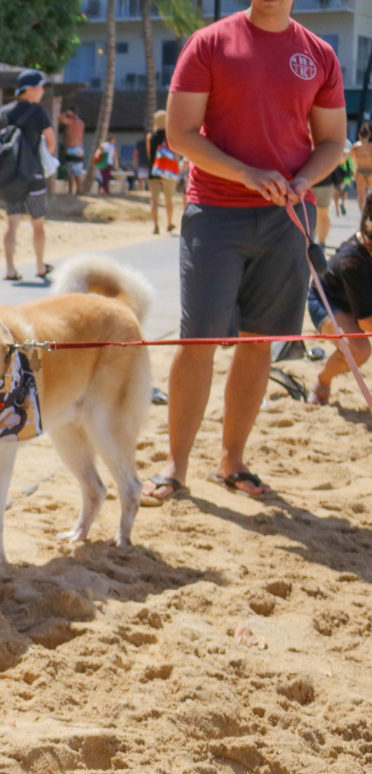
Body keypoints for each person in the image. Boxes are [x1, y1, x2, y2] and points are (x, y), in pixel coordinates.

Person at [141, 0, 345, 504]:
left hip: (288, 217)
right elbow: (180, 133)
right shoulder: (210, 43)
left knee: (260, 342)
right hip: (215, 213)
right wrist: (246, 174)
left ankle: (232, 461)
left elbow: (333, 141)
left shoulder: (318, 54)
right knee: (198, 341)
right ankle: (175, 467)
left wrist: (302, 180)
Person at [305, 191, 372, 406]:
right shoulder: (352, 261)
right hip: (326, 301)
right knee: (358, 350)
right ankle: (322, 380)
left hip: (360, 300)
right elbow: (366, 322)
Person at [0, 69, 56, 281]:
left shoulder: (4, 112)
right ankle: (40, 266)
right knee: (38, 223)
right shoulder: (38, 112)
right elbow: (51, 141)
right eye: (40, 87)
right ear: (30, 90)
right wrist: (44, 155)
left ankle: (10, 269)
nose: (42, 91)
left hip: (11, 176)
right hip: (33, 175)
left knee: (11, 223)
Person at [147, 109, 180, 233]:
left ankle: (155, 226)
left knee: (154, 200)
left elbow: (150, 154)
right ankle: (169, 223)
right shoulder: (170, 136)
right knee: (168, 199)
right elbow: (176, 155)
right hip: (168, 171)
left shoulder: (150, 136)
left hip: (153, 171)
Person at [60, 106, 87, 195]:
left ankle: (75, 190)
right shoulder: (81, 123)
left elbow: (60, 118)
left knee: (73, 172)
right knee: (74, 172)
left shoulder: (72, 122)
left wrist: (66, 113)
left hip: (72, 149)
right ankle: (75, 190)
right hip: (78, 149)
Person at [351, 122, 372, 208]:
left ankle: (363, 214)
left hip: (360, 171)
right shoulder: (371, 147)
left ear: (359, 135)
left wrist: (353, 173)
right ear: (369, 136)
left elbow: (352, 160)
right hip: (370, 170)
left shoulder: (355, 146)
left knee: (361, 195)